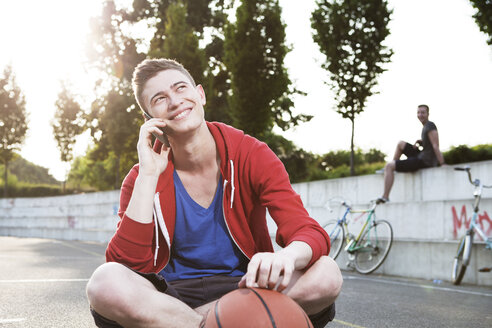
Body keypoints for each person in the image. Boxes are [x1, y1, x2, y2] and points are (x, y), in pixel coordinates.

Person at [86, 58, 343, 328]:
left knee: (327, 274)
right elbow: (126, 265)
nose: (175, 101)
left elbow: (307, 230)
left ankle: (201, 323)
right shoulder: (141, 177)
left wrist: (284, 257)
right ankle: (221, 323)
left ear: (200, 94)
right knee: (105, 282)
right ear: (149, 119)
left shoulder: (251, 153)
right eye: (159, 99)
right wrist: (149, 176)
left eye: (180, 88)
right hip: (170, 296)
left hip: (248, 287)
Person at [377, 104, 445, 204]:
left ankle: (385, 196)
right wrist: (421, 142)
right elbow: (430, 143)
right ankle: (392, 165)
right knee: (400, 143)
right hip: (421, 156)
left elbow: (435, 145)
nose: (420, 115)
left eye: (423, 112)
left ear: (428, 114)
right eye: (418, 112)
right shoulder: (426, 126)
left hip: (424, 161)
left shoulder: (430, 125)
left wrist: (442, 163)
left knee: (389, 166)